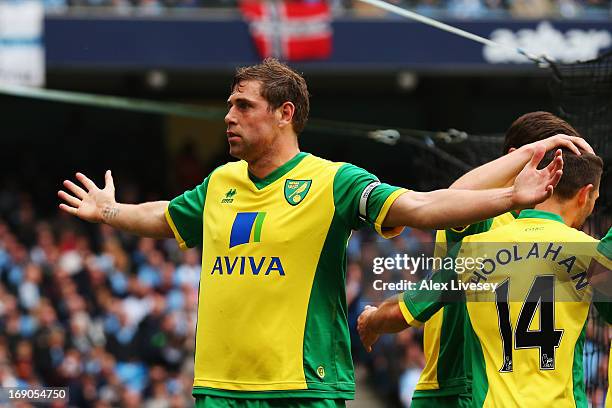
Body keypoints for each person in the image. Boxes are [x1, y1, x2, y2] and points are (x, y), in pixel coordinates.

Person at [59, 58, 570, 407]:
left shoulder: (334, 181)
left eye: (243, 106)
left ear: (284, 114)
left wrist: (511, 195)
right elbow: (167, 217)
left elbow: (418, 205)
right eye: (230, 105)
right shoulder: (221, 182)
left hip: (302, 385)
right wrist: (110, 212)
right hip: (218, 386)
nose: (228, 116)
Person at [357, 149, 612, 407]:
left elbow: (403, 311)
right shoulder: (592, 255)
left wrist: (372, 321)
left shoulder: (473, 250)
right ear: (584, 195)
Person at [399, 111, 593, 408]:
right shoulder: (481, 211)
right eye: (546, 162)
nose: (554, 176)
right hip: (453, 384)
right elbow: (450, 199)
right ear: (516, 158)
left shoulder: (554, 228)